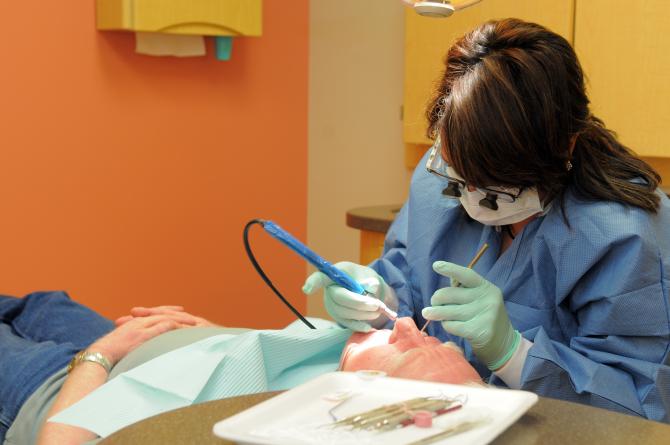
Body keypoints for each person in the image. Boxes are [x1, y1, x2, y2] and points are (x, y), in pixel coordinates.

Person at [303, 18, 670, 422]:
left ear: (565, 145)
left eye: (496, 190)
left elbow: (640, 406)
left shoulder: (621, 234)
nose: (472, 198)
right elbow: (408, 278)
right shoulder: (437, 175)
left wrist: (513, 353)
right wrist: (378, 299)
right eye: (459, 179)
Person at [0, 292, 480, 445]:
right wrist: (219, 338)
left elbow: (59, 444)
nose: (407, 327)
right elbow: (263, 362)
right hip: (135, 351)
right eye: (436, 340)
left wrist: (102, 353)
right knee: (45, 301)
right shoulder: (329, 369)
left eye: (408, 350)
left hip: (62, 385)